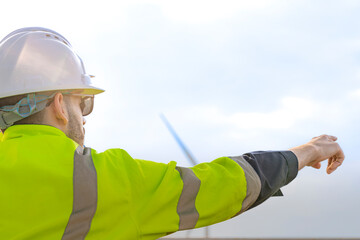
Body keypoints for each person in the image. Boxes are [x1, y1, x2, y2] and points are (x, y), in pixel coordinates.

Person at [0, 27, 344, 240]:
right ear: (60, 104)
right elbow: (218, 186)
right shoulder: (96, 181)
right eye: (83, 104)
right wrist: (307, 152)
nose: (85, 120)